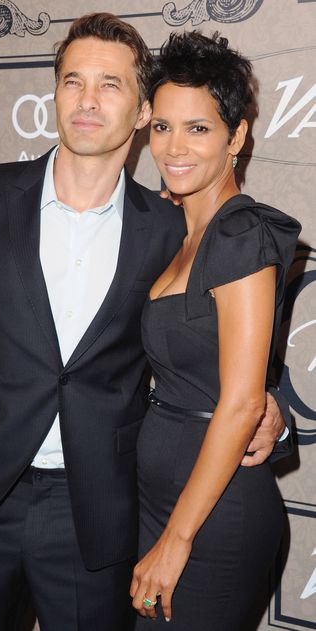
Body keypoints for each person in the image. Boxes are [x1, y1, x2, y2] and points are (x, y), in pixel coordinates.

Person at [0, 14, 291, 631]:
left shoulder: (170, 229)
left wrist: (266, 405)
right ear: (55, 92)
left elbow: (203, 349)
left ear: (142, 111)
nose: (87, 100)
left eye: (111, 85)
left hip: (97, 513)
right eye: (73, 81)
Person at [130, 31, 301, 629]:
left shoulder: (241, 234)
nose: (174, 147)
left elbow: (242, 400)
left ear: (238, 136)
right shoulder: (170, 228)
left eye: (198, 128)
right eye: (162, 126)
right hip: (161, 501)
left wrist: (178, 539)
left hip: (212, 517)